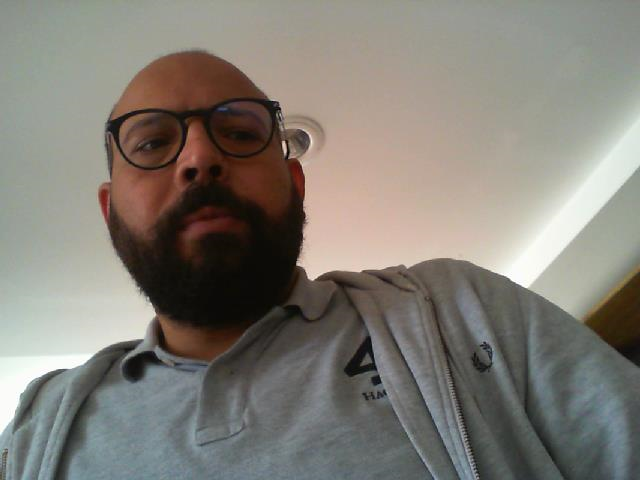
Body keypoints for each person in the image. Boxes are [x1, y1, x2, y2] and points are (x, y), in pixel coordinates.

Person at [1, 50, 639, 480]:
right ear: (109, 210)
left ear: (296, 184)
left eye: (240, 133)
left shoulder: (463, 311)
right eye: (152, 142)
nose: (199, 157)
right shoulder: (35, 431)